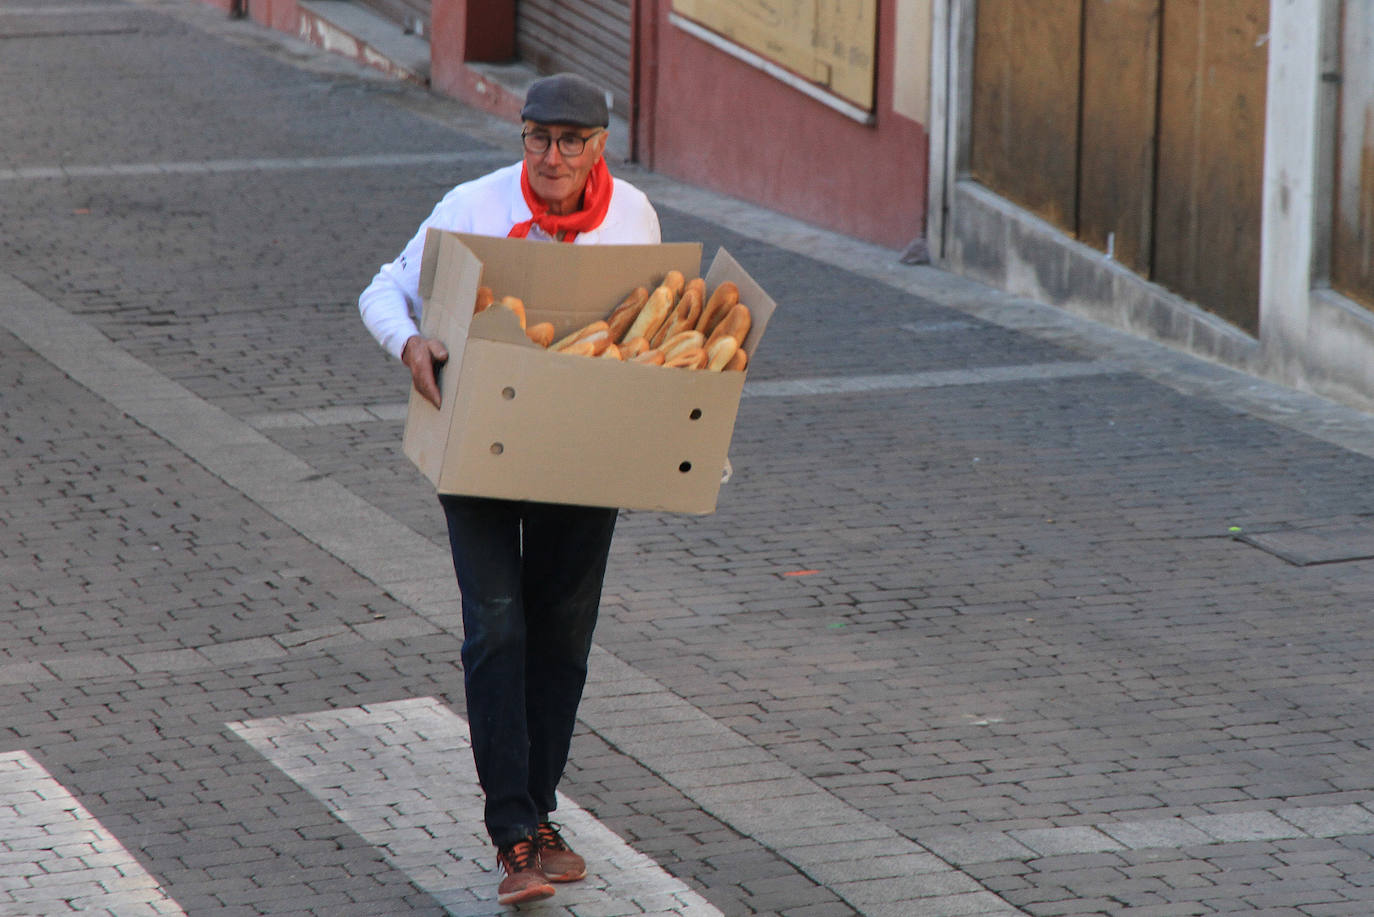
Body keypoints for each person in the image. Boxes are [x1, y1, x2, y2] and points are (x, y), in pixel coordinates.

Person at [357, 73, 662, 906]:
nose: (552, 156)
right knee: (496, 629)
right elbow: (382, 287)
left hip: (580, 455)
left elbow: (646, 331)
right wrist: (411, 343)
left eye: (571, 141)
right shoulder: (471, 206)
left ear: (600, 146)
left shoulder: (634, 216)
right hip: (480, 449)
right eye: (537, 137)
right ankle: (513, 833)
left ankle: (541, 809)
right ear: (520, 138)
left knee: (561, 636)